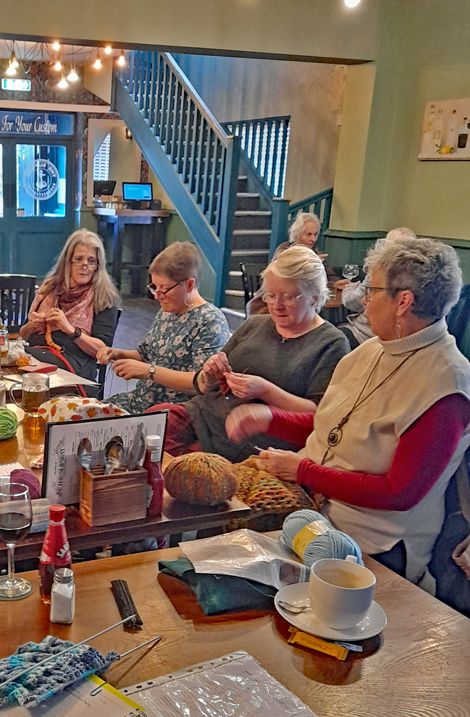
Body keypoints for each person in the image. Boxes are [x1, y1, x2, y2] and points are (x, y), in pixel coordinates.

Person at [226, 238, 470, 590]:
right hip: (312, 510)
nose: (363, 302)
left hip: (370, 545)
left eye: (370, 291)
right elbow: (338, 428)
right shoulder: (372, 349)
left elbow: (399, 493)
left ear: (403, 301)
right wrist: (270, 419)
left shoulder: (446, 383)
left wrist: (303, 470)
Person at [158, 245, 349, 462]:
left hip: (248, 438)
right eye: (270, 295)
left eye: (288, 297)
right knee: (152, 424)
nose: (276, 306)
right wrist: (210, 373)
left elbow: (319, 414)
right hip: (203, 415)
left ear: (314, 298)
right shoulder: (256, 324)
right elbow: (205, 383)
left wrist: (266, 391)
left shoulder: (331, 343)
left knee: (186, 467)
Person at [99, 242, 230, 413]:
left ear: (189, 285)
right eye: (155, 287)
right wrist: (117, 354)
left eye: (164, 288)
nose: (157, 296)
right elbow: (145, 354)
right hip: (140, 402)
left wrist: (149, 371)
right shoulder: (167, 311)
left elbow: (203, 382)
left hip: (172, 414)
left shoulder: (210, 320)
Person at [19, 229, 120, 385]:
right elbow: (23, 334)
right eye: (78, 259)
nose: (84, 265)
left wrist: (71, 330)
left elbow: (103, 351)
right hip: (38, 351)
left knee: (20, 361)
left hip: (75, 362)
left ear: (97, 265)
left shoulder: (104, 297)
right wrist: (32, 326)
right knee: (7, 359)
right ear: (67, 262)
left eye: (91, 261)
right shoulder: (49, 287)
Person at [335, 227, 417, 349]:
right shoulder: (416, 275)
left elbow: (355, 302)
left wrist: (348, 288)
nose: (365, 300)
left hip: (365, 335)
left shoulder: (381, 272)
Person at [249, 212, 332, 316]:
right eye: (308, 234)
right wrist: (309, 264)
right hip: (272, 303)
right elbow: (281, 279)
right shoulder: (285, 249)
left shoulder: (314, 252)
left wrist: (337, 283)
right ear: (297, 234)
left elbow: (328, 277)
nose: (313, 239)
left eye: (315, 234)